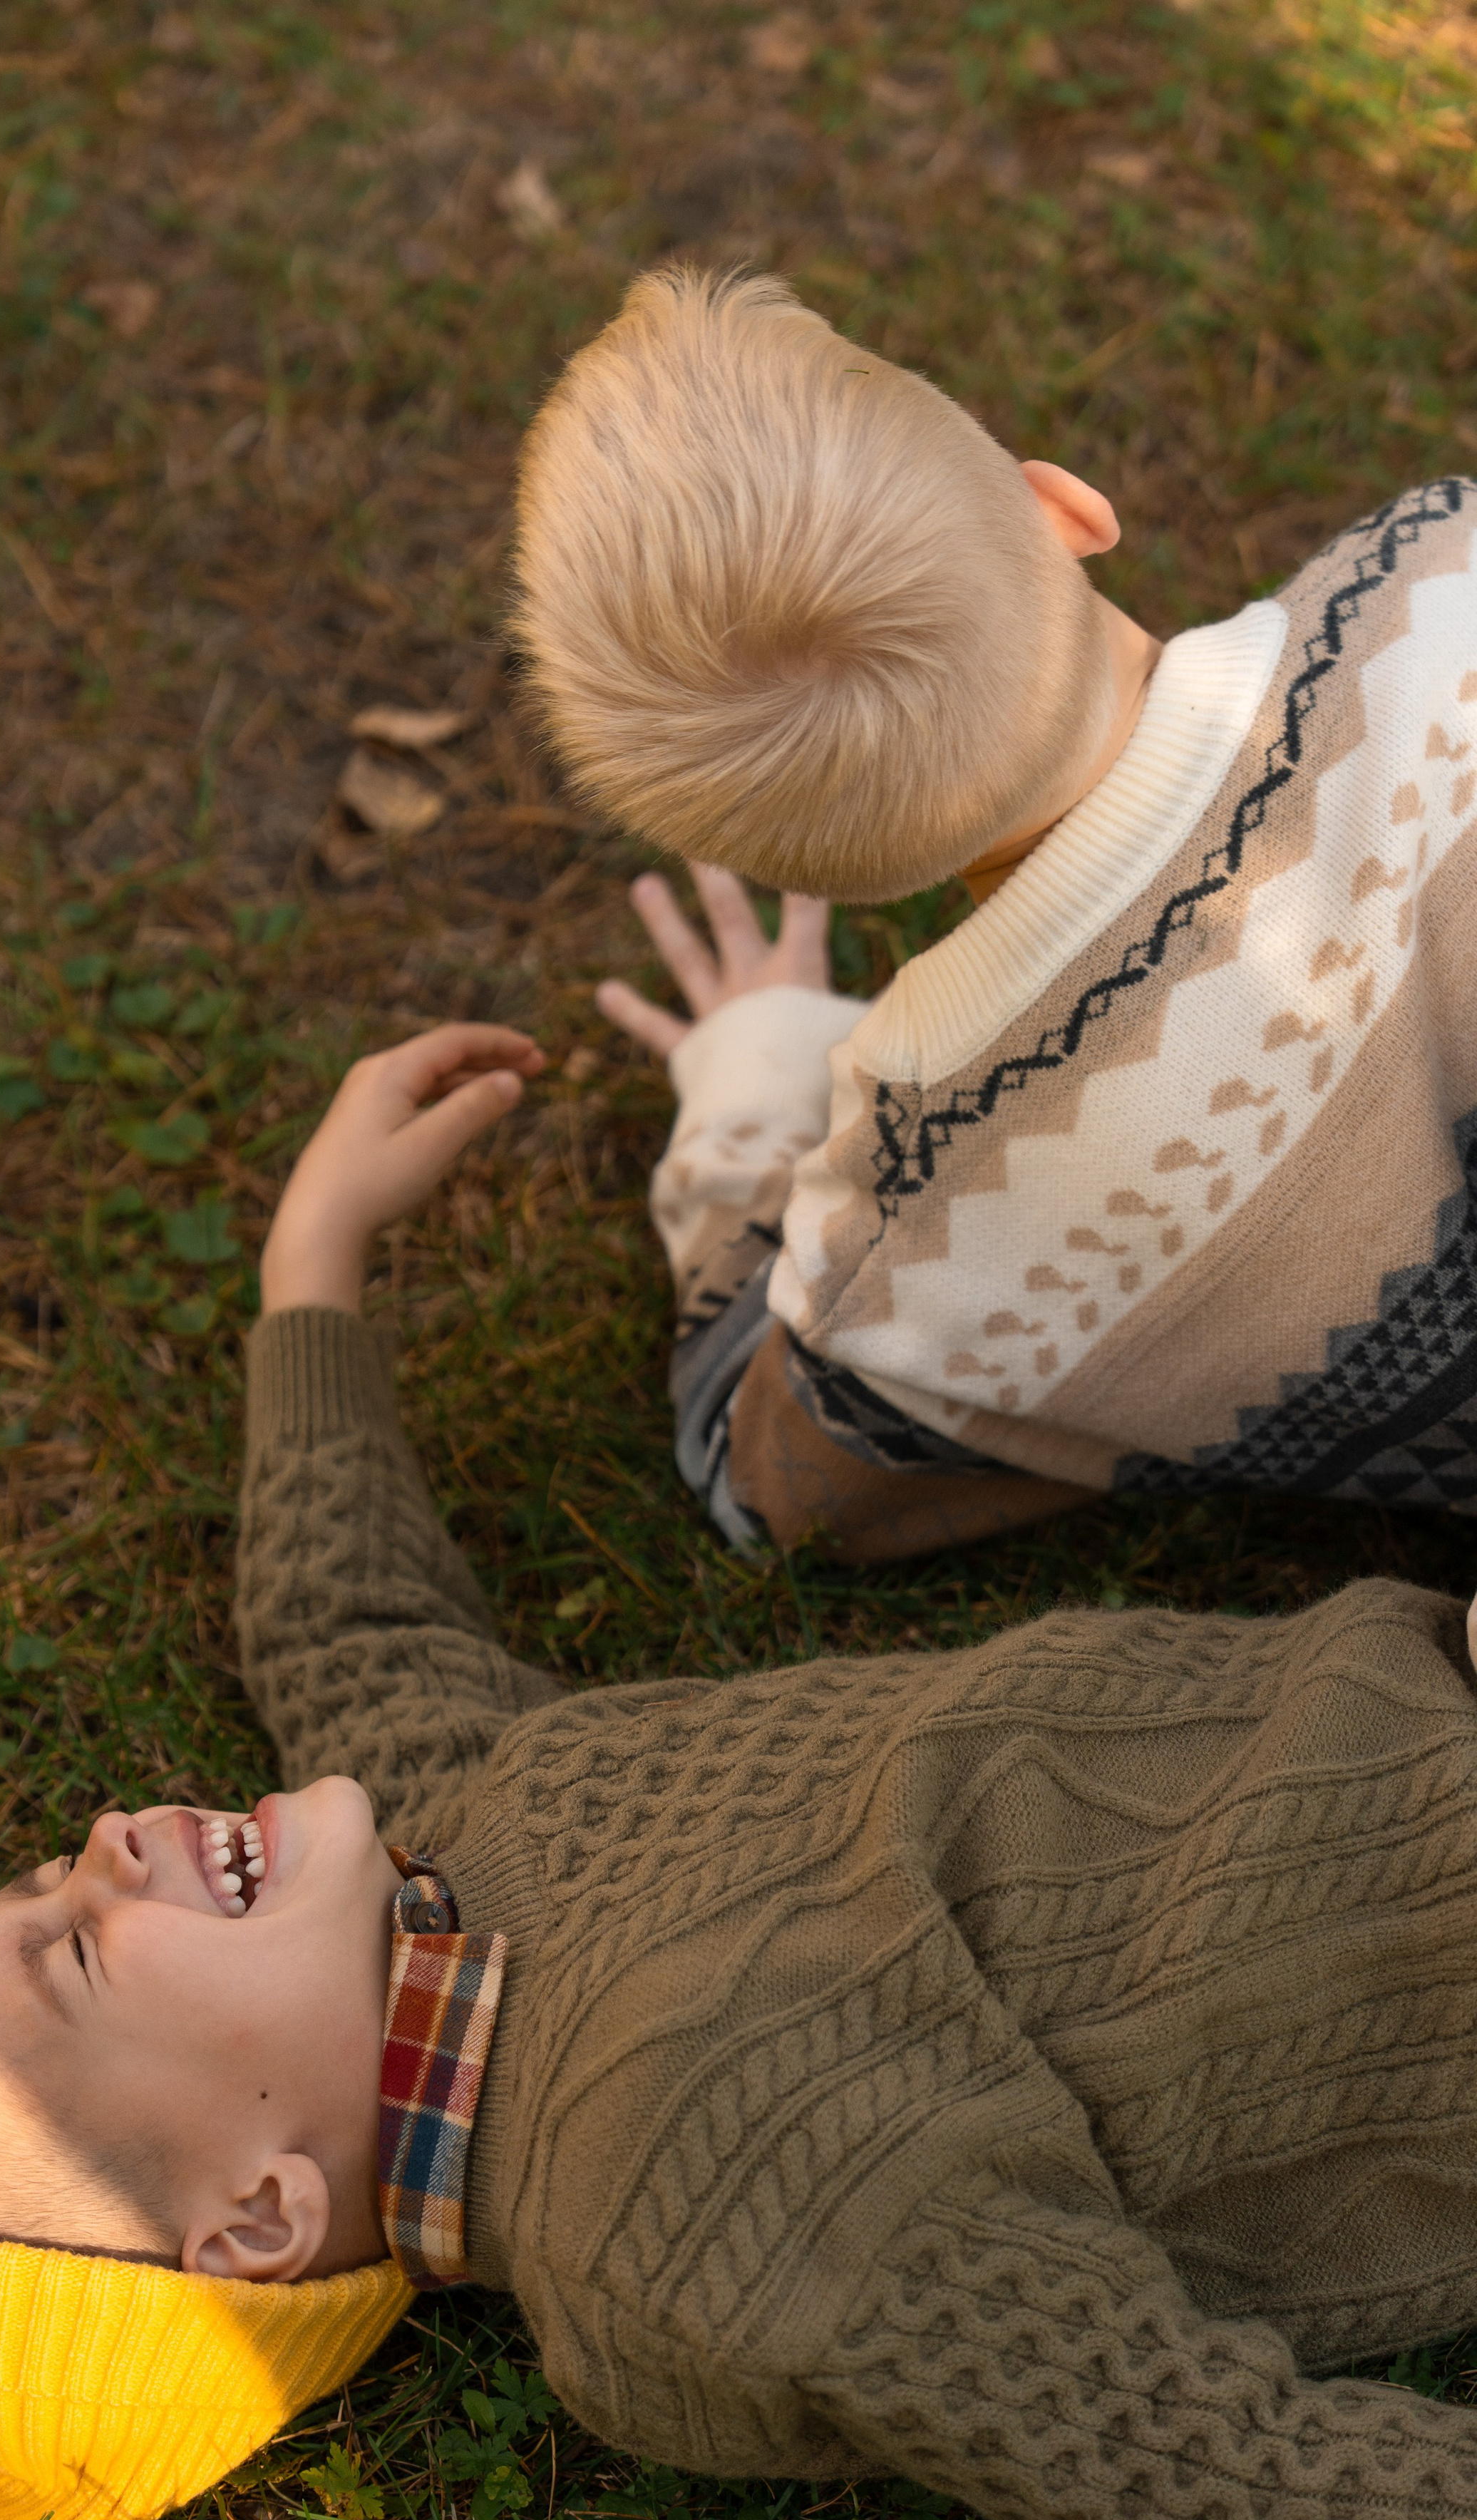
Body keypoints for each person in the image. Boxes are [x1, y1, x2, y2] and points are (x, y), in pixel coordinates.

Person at [0, 1022, 1477, 2520]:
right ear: (255, 2215)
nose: (99, 1838)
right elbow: (1214, 2474)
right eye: (77, 1949)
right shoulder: (680, 2202)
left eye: (42, 1871)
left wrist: (311, 1263)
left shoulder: (438, 1848)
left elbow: (342, 1629)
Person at [515, 266, 1477, 1561]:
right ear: (1065, 507)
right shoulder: (1438, 569)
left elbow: (760, 1466)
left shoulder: (950, 1221)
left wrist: (758, 1072)